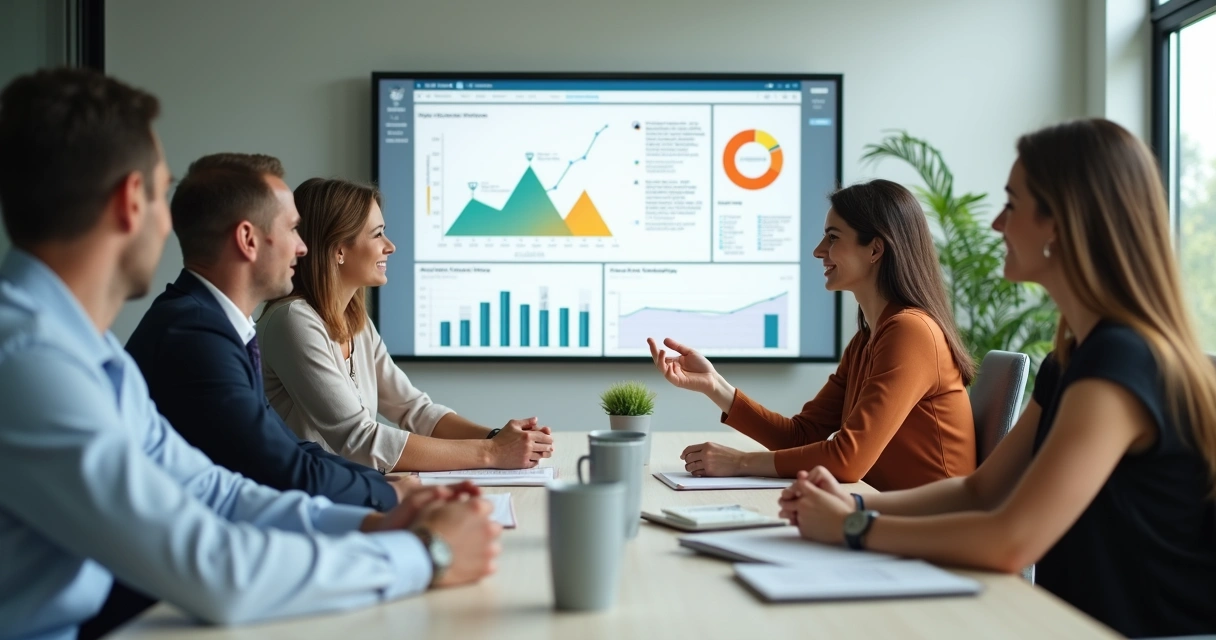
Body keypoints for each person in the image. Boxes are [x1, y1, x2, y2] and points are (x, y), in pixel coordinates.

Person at [0, 68, 500, 640]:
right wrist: (427, 555)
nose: (172, 226)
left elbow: (216, 490)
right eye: (164, 196)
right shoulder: (29, 364)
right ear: (130, 202)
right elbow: (213, 567)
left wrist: (373, 522)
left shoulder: (86, 353)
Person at [782, 119, 1216, 638]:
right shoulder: (1073, 357)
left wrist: (853, 527)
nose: (996, 224)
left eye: (1011, 204)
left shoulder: (1121, 363)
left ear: (1061, 222)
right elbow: (982, 490)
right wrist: (854, 502)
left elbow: (1014, 539)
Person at [126, 152, 412, 512]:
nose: (303, 247)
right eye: (292, 229)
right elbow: (281, 469)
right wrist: (393, 495)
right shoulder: (194, 334)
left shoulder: (215, 324)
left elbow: (289, 448)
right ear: (248, 239)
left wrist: (384, 485)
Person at [650, 179, 976, 491]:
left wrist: (739, 462)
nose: (819, 251)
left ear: (875, 249)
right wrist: (715, 385)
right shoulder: (866, 341)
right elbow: (802, 436)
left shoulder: (911, 332)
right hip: (881, 515)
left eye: (833, 238)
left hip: (927, 530)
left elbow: (848, 459)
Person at [256, 178, 554, 473]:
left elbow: (414, 409)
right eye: (377, 235)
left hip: (342, 491)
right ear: (338, 250)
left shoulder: (355, 322)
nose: (390, 246)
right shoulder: (293, 321)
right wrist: (492, 453)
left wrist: (497, 438)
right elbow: (358, 439)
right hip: (305, 503)